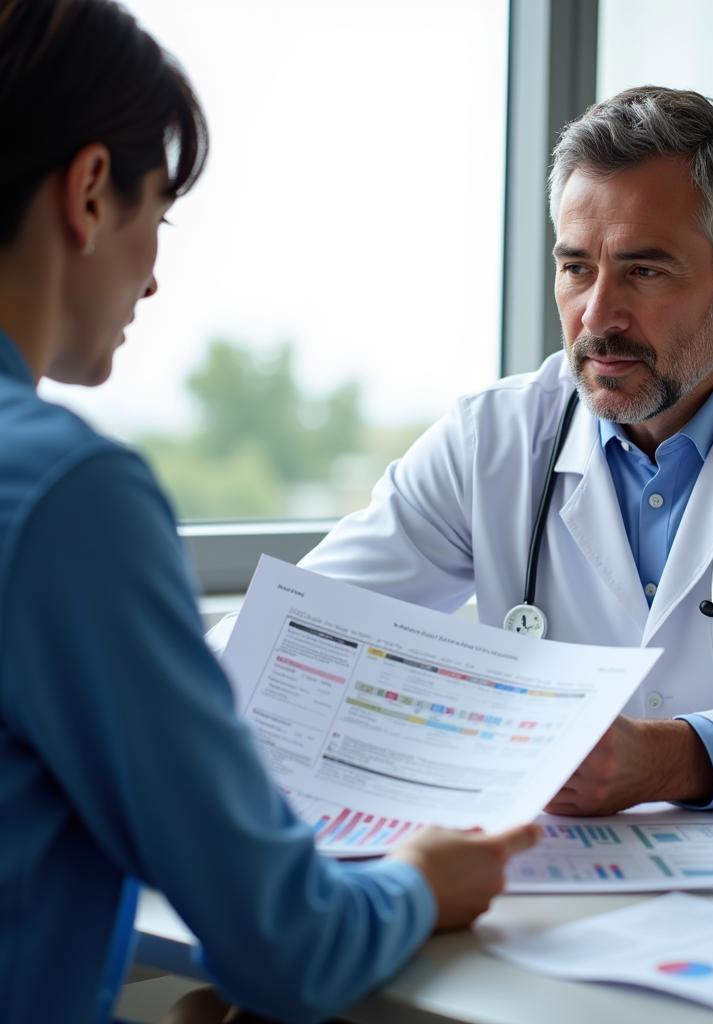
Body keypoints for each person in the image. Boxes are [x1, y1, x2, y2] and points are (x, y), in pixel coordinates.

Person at [0, 2, 538, 1022]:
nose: (154, 274)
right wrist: (424, 879)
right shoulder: (70, 498)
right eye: (157, 211)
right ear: (87, 191)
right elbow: (286, 941)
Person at [210, 85, 713, 815]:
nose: (597, 315)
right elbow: (286, 635)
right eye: (576, 267)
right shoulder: (493, 440)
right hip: (555, 884)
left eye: (644, 269)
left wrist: (667, 758)